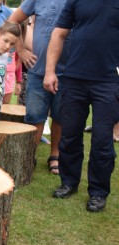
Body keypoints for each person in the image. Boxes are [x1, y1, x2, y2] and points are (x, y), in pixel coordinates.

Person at [44, 0, 119, 212]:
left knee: (102, 140)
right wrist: (50, 71)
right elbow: (58, 34)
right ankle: (69, 182)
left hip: (109, 81)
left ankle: (98, 192)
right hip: (74, 77)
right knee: (69, 134)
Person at [9, 0, 69, 175]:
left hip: (68, 72)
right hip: (38, 70)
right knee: (34, 116)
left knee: (60, 117)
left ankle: (55, 156)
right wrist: (20, 49)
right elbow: (13, 20)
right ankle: (29, 157)